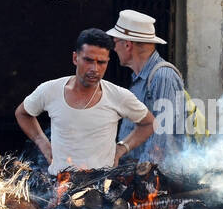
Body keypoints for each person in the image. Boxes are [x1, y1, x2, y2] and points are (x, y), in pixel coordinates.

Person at [15, 28, 155, 175]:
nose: (95, 69)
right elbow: (22, 113)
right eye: (88, 60)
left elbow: (150, 123)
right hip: (59, 187)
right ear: (75, 58)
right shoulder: (50, 90)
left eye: (101, 62)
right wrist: (42, 143)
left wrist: (121, 149)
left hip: (101, 188)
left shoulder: (118, 95)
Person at [107, 9, 187, 164]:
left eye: (115, 42)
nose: (114, 48)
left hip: (153, 180)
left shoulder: (163, 76)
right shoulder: (140, 78)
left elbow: (162, 136)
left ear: (128, 45)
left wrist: (144, 174)